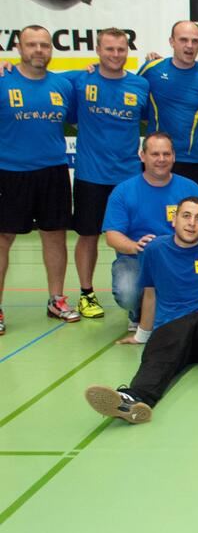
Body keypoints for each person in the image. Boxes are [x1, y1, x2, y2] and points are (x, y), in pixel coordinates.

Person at [84, 197, 198, 424]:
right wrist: (141, 334)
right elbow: (150, 295)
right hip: (173, 333)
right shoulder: (155, 249)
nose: (192, 223)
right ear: (174, 220)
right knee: (162, 345)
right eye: (186, 216)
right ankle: (133, 400)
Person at [65, 27, 150, 320]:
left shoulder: (140, 84)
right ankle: (86, 293)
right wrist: (6, 66)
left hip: (128, 177)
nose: (115, 54)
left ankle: (136, 296)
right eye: (109, 49)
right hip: (90, 176)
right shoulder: (79, 80)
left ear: (128, 51)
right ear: (98, 50)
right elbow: (39, 78)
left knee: (128, 236)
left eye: (121, 49)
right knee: (88, 236)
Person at [0, 25, 81, 331]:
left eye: (44, 45)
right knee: (2, 239)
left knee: (55, 235)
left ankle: (56, 299)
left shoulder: (63, 85)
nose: (39, 50)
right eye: (32, 44)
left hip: (53, 171)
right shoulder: (3, 81)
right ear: (18, 48)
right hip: (9, 173)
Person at [104, 132, 198, 342]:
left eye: (166, 154)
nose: (161, 159)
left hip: (183, 258)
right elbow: (112, 236)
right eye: (155, 154)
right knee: (127, 291)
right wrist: (134, 246)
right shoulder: (123, 191)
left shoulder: (190, 187)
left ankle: (177, 312)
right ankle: (138, 312)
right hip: (138, 259)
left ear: (174, 156)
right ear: (142, 156)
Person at [137, 21, 198, 192]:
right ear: (171, 42)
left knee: (194, 208)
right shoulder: (151, 69)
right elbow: (132, 99)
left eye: (195, 41)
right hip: (157, 158)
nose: (190, 46)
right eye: (183, 40)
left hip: (196, 161)